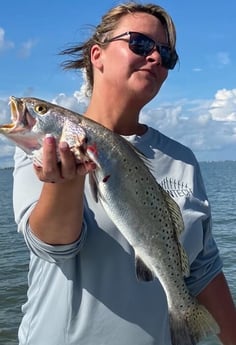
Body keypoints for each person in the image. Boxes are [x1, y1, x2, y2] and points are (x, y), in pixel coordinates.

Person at [13, 2, 236, 345]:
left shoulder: (183, 160)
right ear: (97, 55)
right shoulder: (42, 149)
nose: (156, 58)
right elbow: (52, 247)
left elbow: (203, 269)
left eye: (167, 54)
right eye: (140, 44)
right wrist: (64, 185)